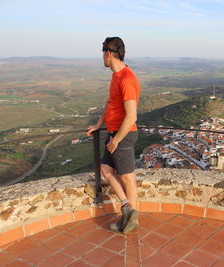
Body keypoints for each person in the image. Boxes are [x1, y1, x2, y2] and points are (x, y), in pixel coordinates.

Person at [87, 37, 140, 233]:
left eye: (103, 54)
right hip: (114, 133)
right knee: (106, 169)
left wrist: (116, 141)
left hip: (122, 135)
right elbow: (111, 104)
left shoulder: (127, 79)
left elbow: (131, 116)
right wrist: (98, 124)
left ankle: (129, 219)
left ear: (108, 53)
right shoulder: (117, 76)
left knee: (127, 178)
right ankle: (128, 209)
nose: (102, 57)